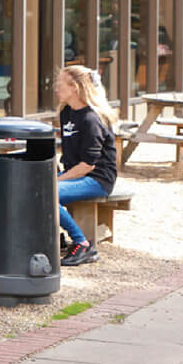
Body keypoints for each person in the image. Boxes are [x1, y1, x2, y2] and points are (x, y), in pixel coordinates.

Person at [55, 63, 118, 267]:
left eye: (60, 84)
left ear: (74, 87)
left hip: (97, 179)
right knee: (31, 187)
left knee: (47, 194)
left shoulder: (91, 119)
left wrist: (57, 180)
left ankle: (82, 244)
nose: (56, 88)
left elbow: (87, 165)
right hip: (75, 174)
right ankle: (51, 237)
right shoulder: (66, 112)